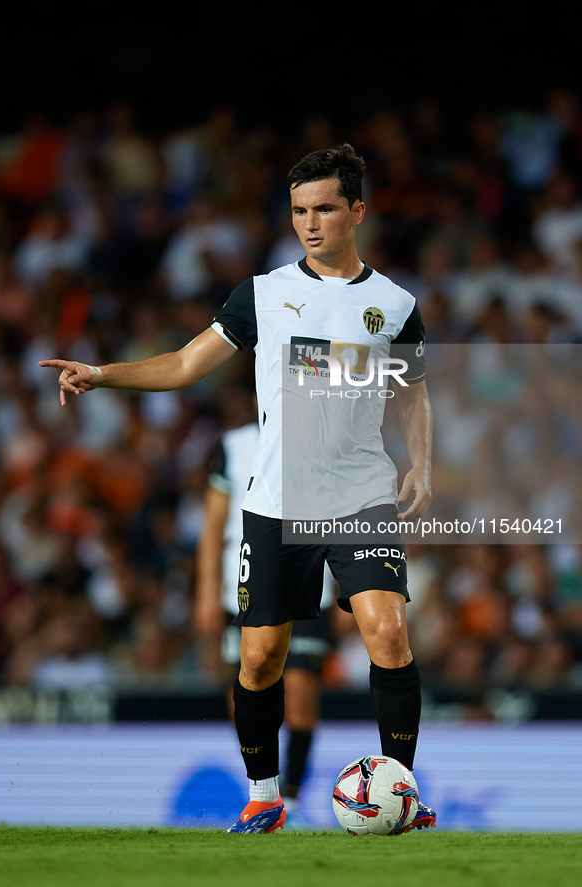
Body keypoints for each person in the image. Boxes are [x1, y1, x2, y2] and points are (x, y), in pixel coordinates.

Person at [40, 144, 435, 835]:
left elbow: (413, 394)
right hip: (276, 500)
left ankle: (399, 795)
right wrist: (104, 372)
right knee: (259, 659)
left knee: (388, 633)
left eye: (324, 209)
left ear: (357, 212)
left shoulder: (394, 306)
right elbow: (188, 363)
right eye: (299, 211)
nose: (309, 223)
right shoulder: (261, 294)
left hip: (360, 496)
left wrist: (420, 464)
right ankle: (262, 794)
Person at [194, 413, 336, 828]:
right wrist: (205, 591)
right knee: (246, 693)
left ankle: (292, 796)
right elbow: (213, 525)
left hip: (312, 585)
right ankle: (265, 795)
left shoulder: (323, 437)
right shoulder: (233, 446)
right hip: (241, 587)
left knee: (301, 698)